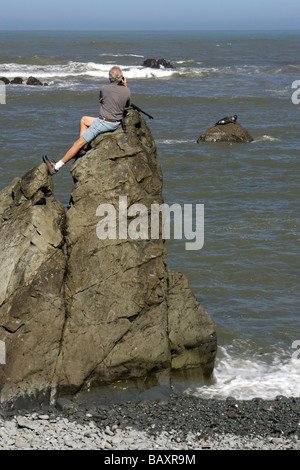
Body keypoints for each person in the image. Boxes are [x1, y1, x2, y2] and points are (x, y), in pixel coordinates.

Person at [42, 66, 131, 175]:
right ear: (121, 78)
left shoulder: (104, 89)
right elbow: (127, 105)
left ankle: (56, 167)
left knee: (77, 143)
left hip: (103, 122)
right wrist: (125, 86)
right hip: (115, 122)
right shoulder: (126, 90)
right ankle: (82, 149)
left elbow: (102, 101)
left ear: (109, 78)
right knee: (84, 120)